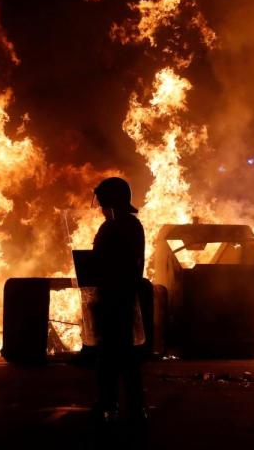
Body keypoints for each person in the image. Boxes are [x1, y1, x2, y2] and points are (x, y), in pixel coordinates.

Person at [90, 176, 147, 424]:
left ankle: (113, 404)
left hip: (116, 298)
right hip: (122, 296)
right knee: (124, 356)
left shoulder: (117, 228)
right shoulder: (131, 226)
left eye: (103, 203)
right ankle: (130, 406)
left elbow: (106, 262)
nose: (101, 208)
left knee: (114, 355)